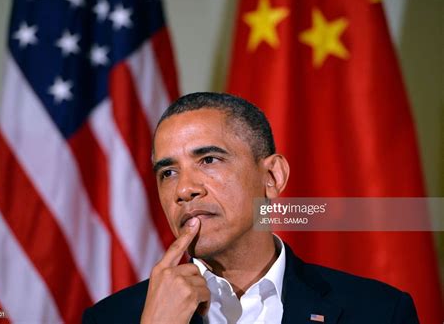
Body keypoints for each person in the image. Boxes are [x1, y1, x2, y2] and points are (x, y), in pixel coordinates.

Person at [82, 92, 419, 324]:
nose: (184, 189)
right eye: (168, 172)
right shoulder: (113, 318)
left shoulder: (378, 311)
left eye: (209, 159)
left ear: (272, 176)